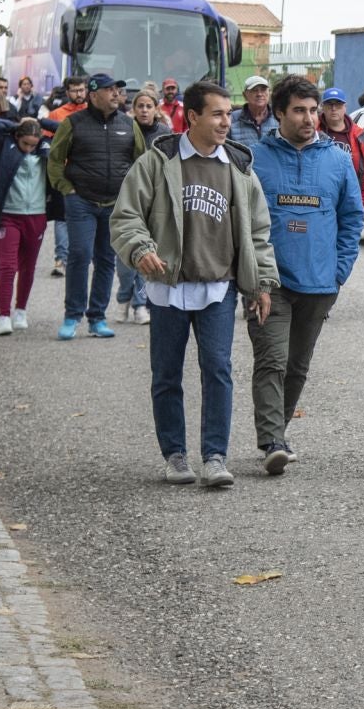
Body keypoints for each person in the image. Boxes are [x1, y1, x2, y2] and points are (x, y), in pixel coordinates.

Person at [112, 81, 278, 488]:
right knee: (166, 374)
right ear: (193, 116)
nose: (226, 122)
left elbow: (258, 231)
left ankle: (215, 457)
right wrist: (139, 249)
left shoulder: (239, 168)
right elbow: (127, 215)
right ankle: (175, 455)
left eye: (228, 113)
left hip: (218, 288)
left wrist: (261, 283)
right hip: (167, 289)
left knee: (218, 370)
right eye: (218, 114)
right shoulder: (157, 162)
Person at [248, 75, 363, 476]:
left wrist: (340, 270)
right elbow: (240, 220)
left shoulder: (338, 158)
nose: (310, 118)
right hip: (268, 282)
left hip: (320, 282)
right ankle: (272, 441)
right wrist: (249, 274)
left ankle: (276, 433)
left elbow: (352, 218)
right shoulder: (253, 158)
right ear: (278, 112)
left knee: (297, 365)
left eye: (313, 110)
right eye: (299, 110)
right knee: (272, 360)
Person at [48, 72, 144, 340]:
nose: (116, 94)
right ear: (93, 94)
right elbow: (55, 159)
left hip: (115, 204)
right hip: (81, 201)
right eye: (109, 89)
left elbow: (141, 161)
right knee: (79, 254)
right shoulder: (73, 123)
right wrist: (66, 189)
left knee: (106, 259)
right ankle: (72, 316)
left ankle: (97, 318)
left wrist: (132, 194)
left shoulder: (128, 123)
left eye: (118, 90)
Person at [0, 117, 50, 335]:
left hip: (37, 215)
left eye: (34, 144)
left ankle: (21, 309)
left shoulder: (44, 150)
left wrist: (39, 122)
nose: (29, 149)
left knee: (29, 266)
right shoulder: (5, 146)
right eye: (25, 144)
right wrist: (20, 124)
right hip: (9, 214)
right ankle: (3, 315)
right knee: (8, 266)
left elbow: (66, 129)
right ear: (16, 138)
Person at [111, 90, 175, 324]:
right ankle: (123, 299)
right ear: (133, 109)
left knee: (148, 252)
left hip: (155, 201)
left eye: (149, 106)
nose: (145, 110)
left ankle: (140, 304)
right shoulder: (125, 130)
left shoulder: (165, 134)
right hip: (127, 197)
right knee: (125, 258)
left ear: (156, 109)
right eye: (140, 106)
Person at [45, 76, 88, 275]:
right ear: (67, 92)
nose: (79, 94)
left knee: (86, 216)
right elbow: (46, 144)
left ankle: (81, 258)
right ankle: (61, 259)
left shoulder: (92, 113)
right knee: (62, 218)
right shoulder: (56, 114)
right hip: (64, 172)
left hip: (88, 173)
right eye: (75, 90)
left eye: (82, 90)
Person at [317, 88, 364, 222]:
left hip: (349, 200)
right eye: (329, 104)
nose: (333, 108)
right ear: (323, 108)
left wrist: (363, 206)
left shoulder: (358, 135)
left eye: (337, 104)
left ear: (345, 107)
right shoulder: (313, 132)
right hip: (320, 201)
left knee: (348, 241)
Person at [228, 75, 279, 148]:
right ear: (244, 95)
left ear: (269, 93)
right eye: (254, 90)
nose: (259, 94)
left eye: (263, 90)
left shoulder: (279, 117)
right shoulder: (232, 119)